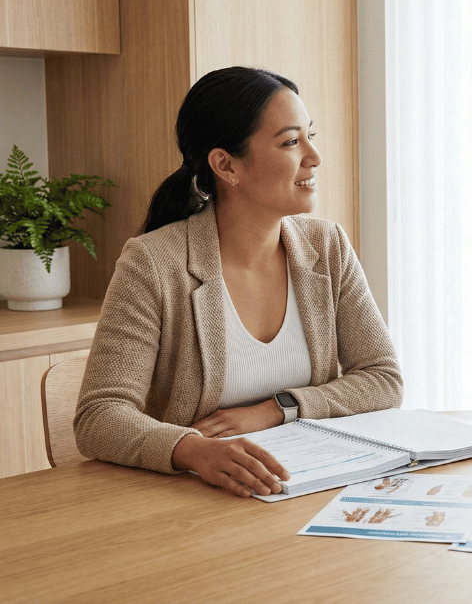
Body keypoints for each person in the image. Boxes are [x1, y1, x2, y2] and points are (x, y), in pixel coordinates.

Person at [74, 67, 403, 497]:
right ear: (226, 165)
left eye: (310, 135)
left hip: (308, 487)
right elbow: (99, 416)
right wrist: (193, 450)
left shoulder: (328, 247)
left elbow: (383, 379)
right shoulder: (153, 264)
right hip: (196, 499)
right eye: (290, 141)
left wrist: (278, 409)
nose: (314, 156)